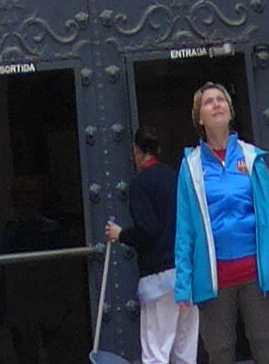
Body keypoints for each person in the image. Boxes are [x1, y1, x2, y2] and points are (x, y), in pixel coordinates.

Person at [172, 81, 269, 364]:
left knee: (266, 349)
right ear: (199, 118)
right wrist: (183, 283)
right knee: (219, 353)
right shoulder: (190, 166)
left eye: (221, 100)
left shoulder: (252, 159)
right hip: (215, 278)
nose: (216, 104)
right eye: (208, 102)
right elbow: (185, 230)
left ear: (230, 112)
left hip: (258, 273)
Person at [105, 126, 199, 364]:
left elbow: (147, 230)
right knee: (185, 353)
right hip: (186, 274)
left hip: (158, 278)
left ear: (135, 150)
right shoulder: (174, 176)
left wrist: (121, 234)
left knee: (156, 353)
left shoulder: (140, 183)